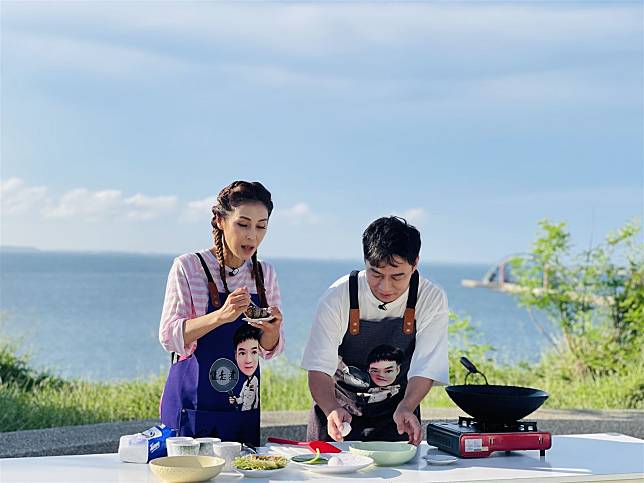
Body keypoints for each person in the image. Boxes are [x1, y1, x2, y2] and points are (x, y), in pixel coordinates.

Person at [301, 216, 448, 445]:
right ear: (365, 261)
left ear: (415, 263)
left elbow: (425, 367)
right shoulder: (338, 296)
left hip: (398, 414)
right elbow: (319, 368)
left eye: (397, 276)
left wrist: (407, 407)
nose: (385, 287)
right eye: (376, 274)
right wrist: (330, 408)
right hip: (339, 413)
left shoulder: (430, 297)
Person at [158, 180, 284, 447]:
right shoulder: (189, 267)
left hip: (242, 407)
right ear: (219, 220)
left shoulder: (265, 274)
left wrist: (271, 332)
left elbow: (268, 349)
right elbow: (169, 337)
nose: (252, 235)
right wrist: (221, 316)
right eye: (243, 224)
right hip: (192, 408)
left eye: (261, 226)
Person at [228, 324, 261, 411]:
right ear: (235, 355)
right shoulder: (245, 383)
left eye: (254, 352)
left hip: (251, 415)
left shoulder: (255, 381)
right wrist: (235, 400)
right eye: (242, 353)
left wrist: (253, 411)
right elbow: (241, 399)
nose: (248, 360)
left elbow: (257, 399)